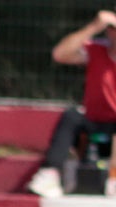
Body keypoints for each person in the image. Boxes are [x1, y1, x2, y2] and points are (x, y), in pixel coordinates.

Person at [26, 10, 116, 197]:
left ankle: (114, 178)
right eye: (112, 29)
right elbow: (60, 54)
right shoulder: (96, 51)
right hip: (93, 125)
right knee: (71, 116)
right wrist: (94, 27)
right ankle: (50, 173)